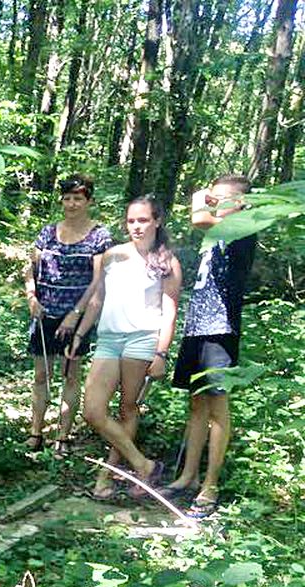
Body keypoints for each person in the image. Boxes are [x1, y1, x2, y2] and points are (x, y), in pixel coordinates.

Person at [70, 195, 181, 500]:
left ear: (157, 221)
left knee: (128, 408)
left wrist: (161, 353)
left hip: (142, 340)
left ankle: (106, 476)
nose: (136, 226)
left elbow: (170, 311)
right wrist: (80, 334)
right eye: (131, 221)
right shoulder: (112, 255)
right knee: (92, 410)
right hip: (108, 339)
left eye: (143, 220)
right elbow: (97, 299)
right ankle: (142, 464)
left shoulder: (167, 262)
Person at [162, 175, 257, 518]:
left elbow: (199, 216)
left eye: (225, 199)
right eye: (214, 198)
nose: (215, 203)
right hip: (197, 326)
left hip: (221, 329)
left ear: (244, 204)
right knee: (197, 405)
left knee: (218, 408)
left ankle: (210, 485)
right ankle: (189, 476)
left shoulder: (242, 230)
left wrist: (202, 195)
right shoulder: (216, 232)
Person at [22, 173, 113, 456]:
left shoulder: (100, 235)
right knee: (41, 374)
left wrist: (76, 313)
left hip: (76, 317)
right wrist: (31, 296)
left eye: (78, 198)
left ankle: (63, 435)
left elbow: (99, 280)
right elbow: (30, 269)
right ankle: (36, 432)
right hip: (44, 314)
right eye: (68, 198)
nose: (72, 204)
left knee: (70, 375)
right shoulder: (48, 232)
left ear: (89, 201)